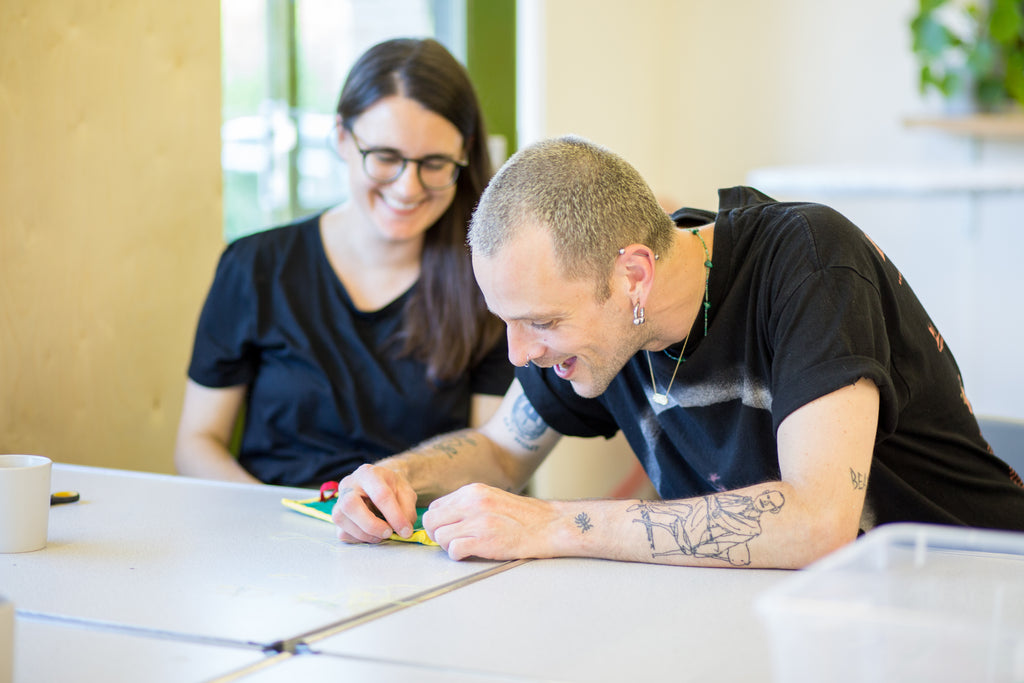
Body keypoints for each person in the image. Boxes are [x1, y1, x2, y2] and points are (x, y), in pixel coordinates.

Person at [330, 135, 1024, 567]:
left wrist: (556, 523)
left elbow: (817, 522)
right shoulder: (604, 328)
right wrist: (401, 475)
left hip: (980, 598)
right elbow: (503, 448)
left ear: (633, 275)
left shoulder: (810, 260)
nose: (519, 352)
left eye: (540, 321)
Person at [174, 38, 512, 488]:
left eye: (434, 163)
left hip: (416, 542)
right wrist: (274, 524)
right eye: (386, 158)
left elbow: (495, 460)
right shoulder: (255, 266)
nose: (408, 188)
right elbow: (197, 442)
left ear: (464, 153)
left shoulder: (487, 285)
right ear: (341, 137)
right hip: (267, 535)